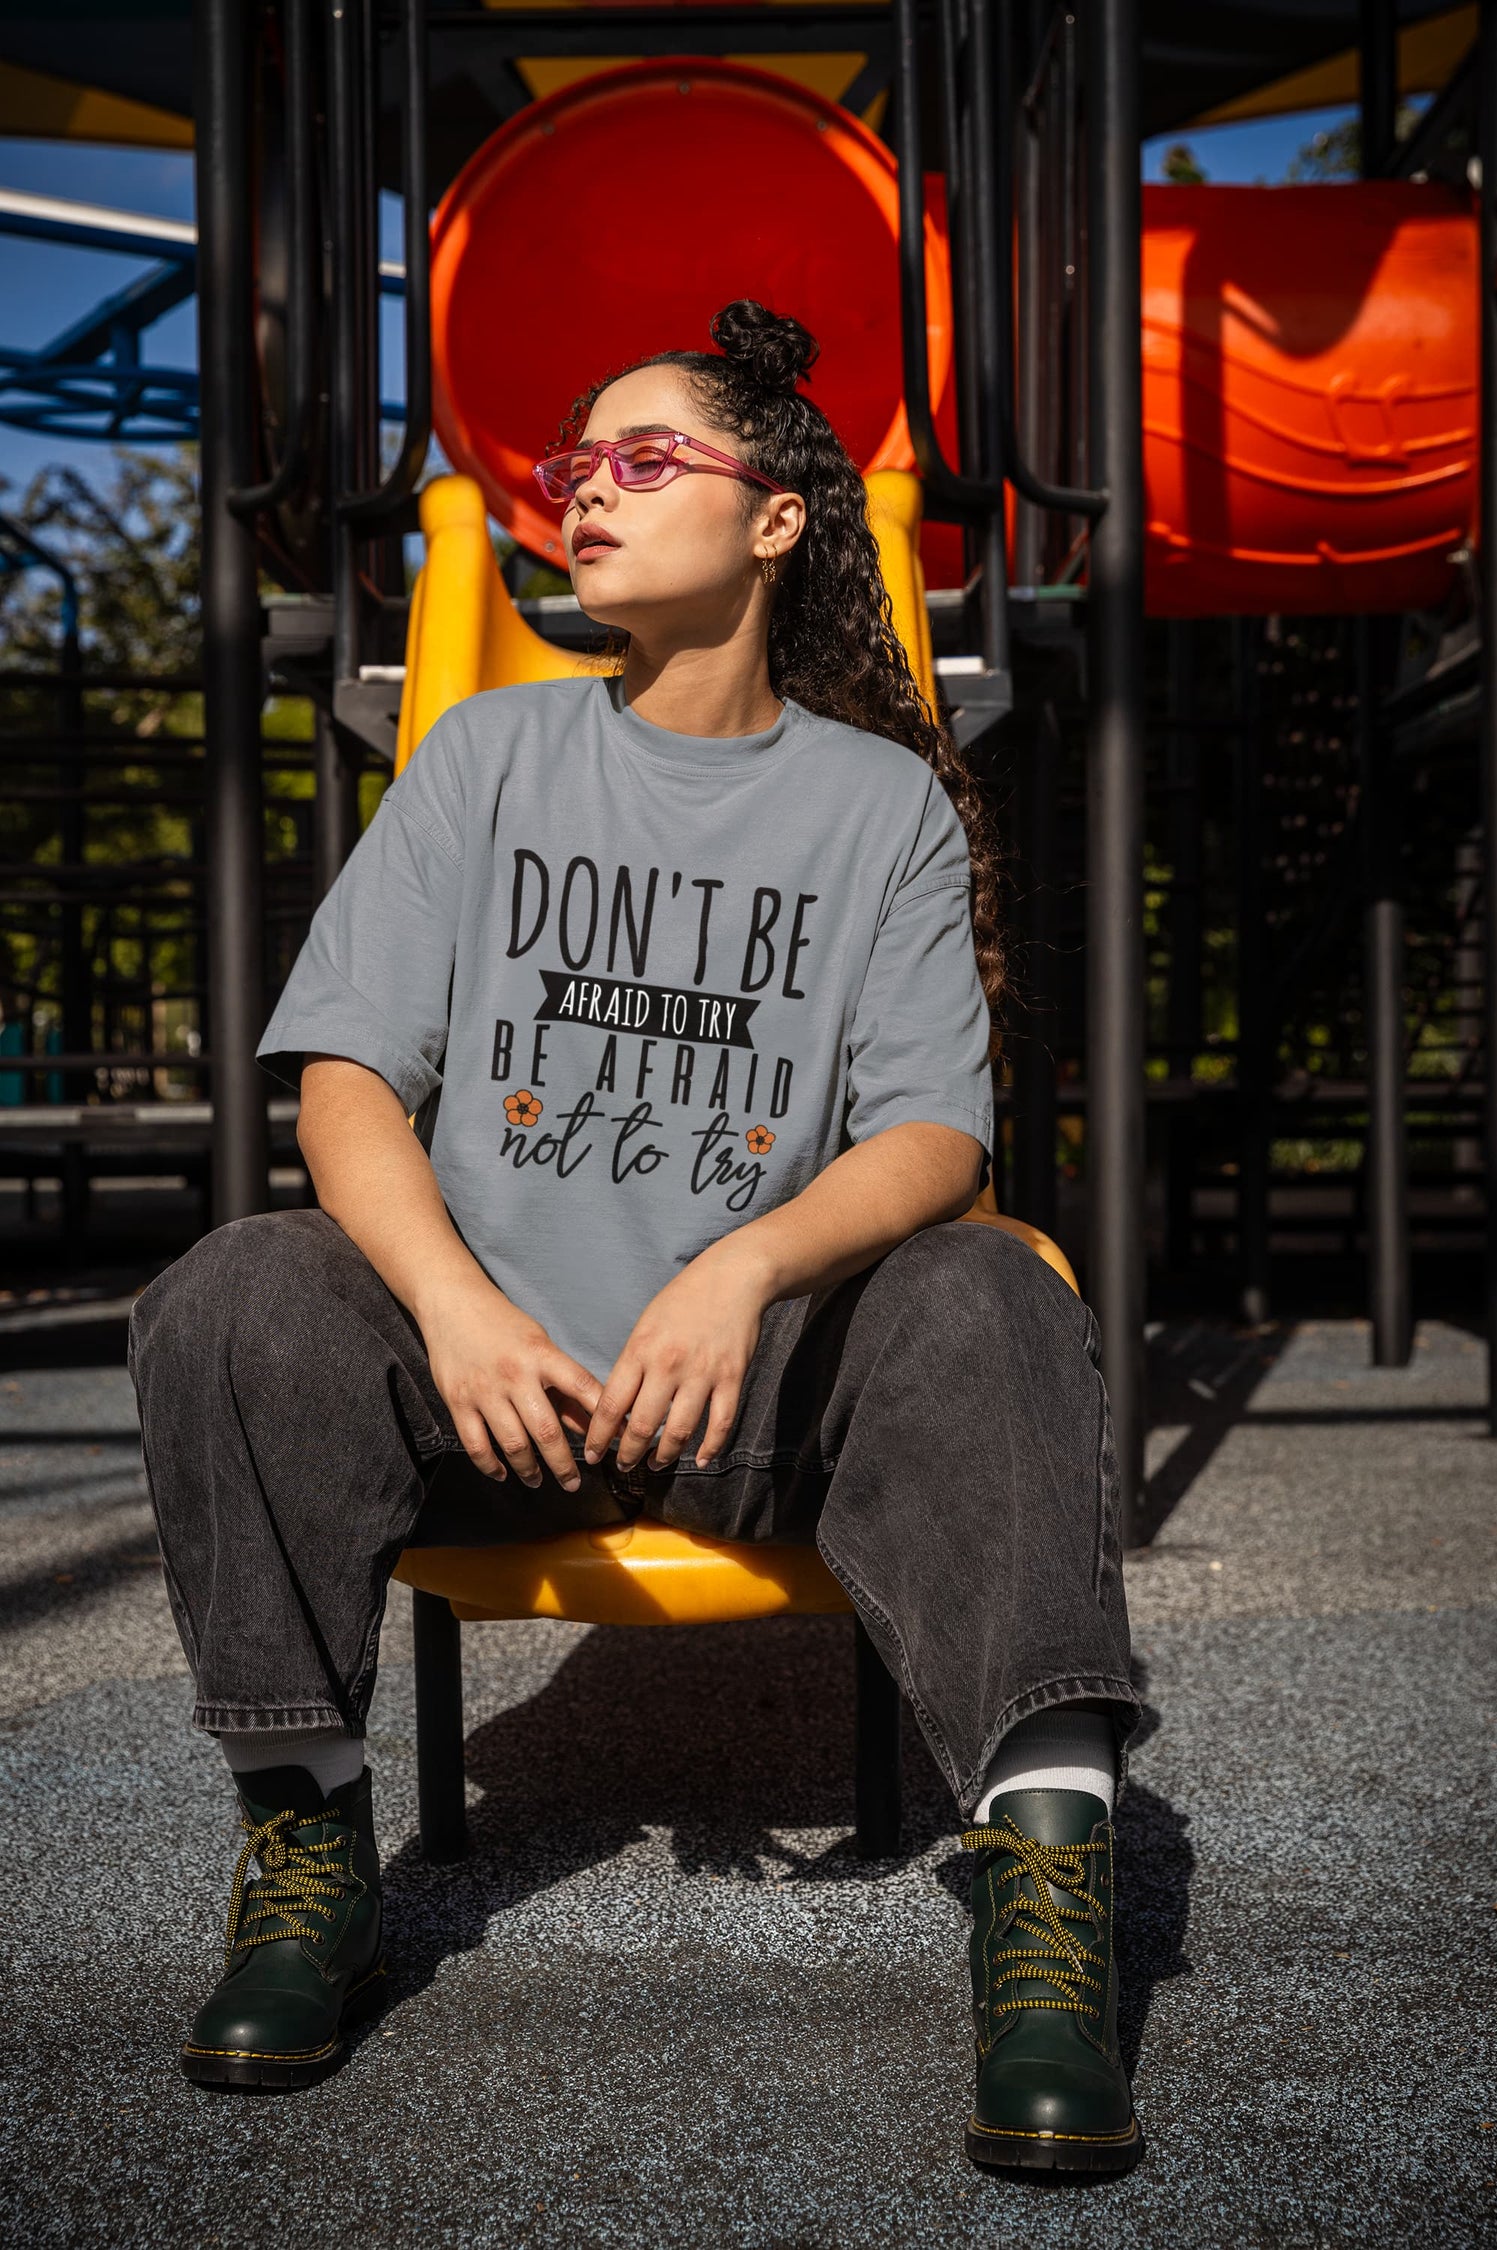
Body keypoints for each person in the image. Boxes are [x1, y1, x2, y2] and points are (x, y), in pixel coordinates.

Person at [129, 301, 1139, 2172]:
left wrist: (744, 1265)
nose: (586, 491)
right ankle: (307, 1845)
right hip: (485, 1399)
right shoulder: (489, 756)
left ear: (775, 523)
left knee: (994, 1284)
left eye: (644, 458)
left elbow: (937, 1132)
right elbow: (344, 1074)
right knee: (237, 1287)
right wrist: (451, 1309)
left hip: (750, 1406)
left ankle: (1049, 1914)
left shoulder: (883, 802)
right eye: (572, 466)